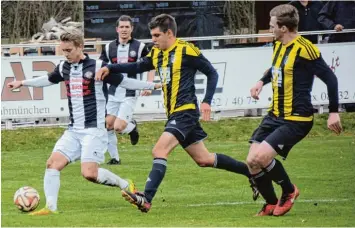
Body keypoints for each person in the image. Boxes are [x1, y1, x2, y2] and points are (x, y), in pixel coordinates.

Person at [96, 14, 259, 213]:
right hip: (175, 113)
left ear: (169, 33)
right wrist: (110, 67)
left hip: (185, 112)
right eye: (152, 35)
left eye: (156, 35)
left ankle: (146, 198)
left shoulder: (186, 49)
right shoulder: (157, 53)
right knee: (204, 159)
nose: (153, 40)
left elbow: (212, 73)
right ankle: (251, 172)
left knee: (159, 151)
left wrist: (207, 101)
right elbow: (138, 66)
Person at [7, 30, 161, 215]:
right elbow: (48, 79)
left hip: (94, 130)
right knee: (52, 164)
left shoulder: (98, 66)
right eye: (63, 50)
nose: (66, 54)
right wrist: (22, 83)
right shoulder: (64, 66)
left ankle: (125, 184)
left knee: (89, 174)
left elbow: (125, 82)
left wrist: (152, 86)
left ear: (80, 47)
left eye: (69, 50)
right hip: (73, 130)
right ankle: (51, 208)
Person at [247, 4, 342, 216]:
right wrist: (261, 82)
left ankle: (289, 191)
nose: (270, 29)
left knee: (262, 158)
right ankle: (271, 203)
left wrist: (333, 112)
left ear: (284, 27)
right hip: (275, 114)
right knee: (251, 162)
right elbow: (275, 68)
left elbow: (331, 78)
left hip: (296, 118)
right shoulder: (278, 44)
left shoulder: (305, 49)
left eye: (272, 26)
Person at [100, 15, 156, 165]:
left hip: (130, 92)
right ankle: (115, 158)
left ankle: (131, 127)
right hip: (113, 91)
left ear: (132, 29)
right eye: (122, 27)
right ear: (117, 29)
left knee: (118, 127)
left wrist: (148, 84)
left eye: (127, 27)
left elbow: (152, 65)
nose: (124, 30)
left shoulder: (140, 47)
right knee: (108, 125)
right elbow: (101, 68)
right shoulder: (108, 47)